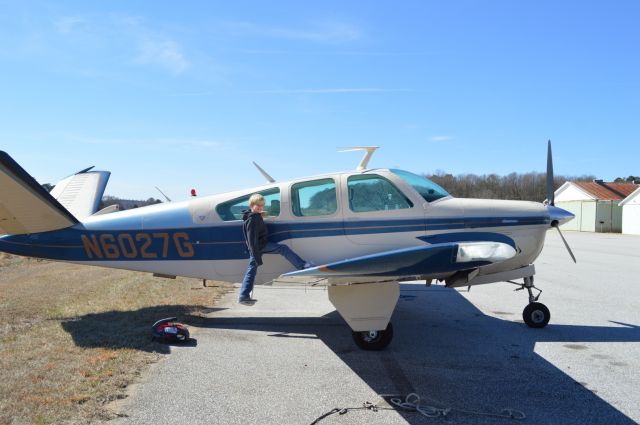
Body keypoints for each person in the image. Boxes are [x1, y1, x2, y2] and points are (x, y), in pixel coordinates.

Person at [239, 193, 311, 305]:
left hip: (260, 245)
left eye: (262, 205)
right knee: (283, 249)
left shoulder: (254, 216)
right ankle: (302, 266)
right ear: (252, 205)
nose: (260, 207)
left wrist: (260, 215)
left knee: (252, 270)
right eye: (257, 205)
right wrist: (255, 255)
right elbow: (251, 239)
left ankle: (244, 296)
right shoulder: (253, 219)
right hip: (258, 247)